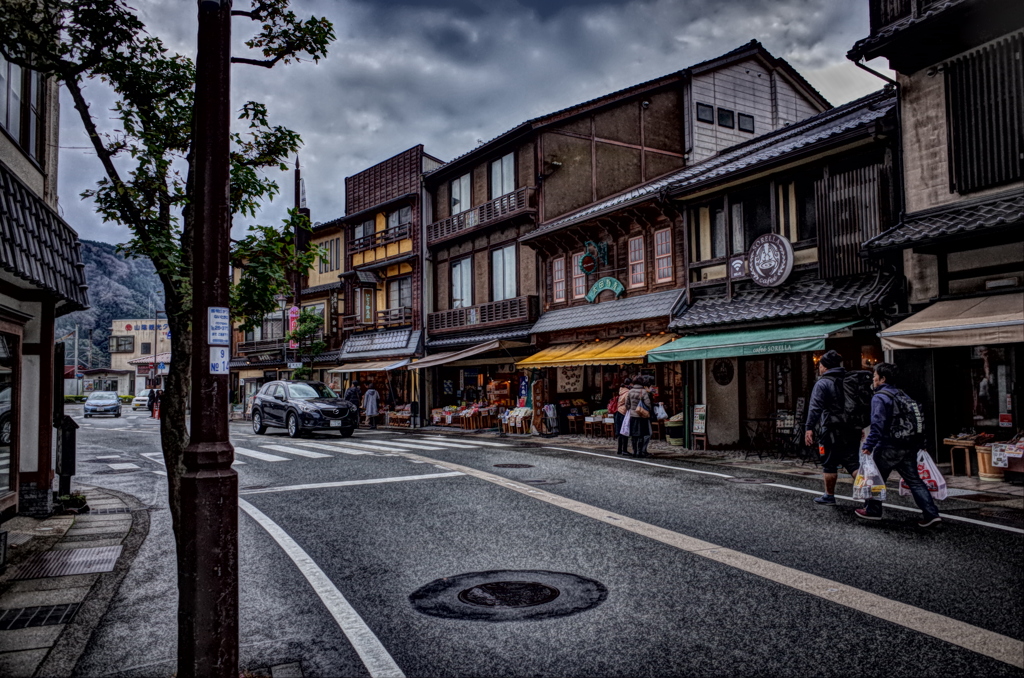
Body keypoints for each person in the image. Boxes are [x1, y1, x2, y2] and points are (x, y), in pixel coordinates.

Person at [856, 363, 941, 527]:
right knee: (915, 481)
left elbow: (877, 424)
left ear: (882, 378)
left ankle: (873, 510)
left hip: (888, 446)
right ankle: (931, 513)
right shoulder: (903, 395)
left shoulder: (880, 397)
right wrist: (922, 442)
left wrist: (869, 445)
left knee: (876, 478)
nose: (873, 379)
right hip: (909, 445)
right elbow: (918, 420)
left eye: (875, 376)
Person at [805, 350, 860, 505]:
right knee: (853, 462)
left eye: (820, 364)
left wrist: (809, 428)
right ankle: (870, 494)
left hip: (832, 429)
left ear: (825, 366)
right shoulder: (849, 381)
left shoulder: (823, 383)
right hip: (852, 428)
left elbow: (815, 408)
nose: (819, 367)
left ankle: (829, 495)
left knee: (829, 462)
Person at [626, 374, 654, 458]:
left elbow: (627, 404)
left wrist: (631, 409)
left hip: (633, 415)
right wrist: (647, 410)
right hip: (641, 416)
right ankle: (640, 452)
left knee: (634, 435)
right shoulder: (643, 391)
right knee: (641, 434)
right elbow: (648, 404)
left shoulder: (630, 391)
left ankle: (634, 451)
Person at [614, 377, 632, 456]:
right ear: (630, 384)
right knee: (624, 431)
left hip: (619, 411)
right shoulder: (628, 392)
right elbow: (628, 403)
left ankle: (619, 449)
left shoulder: (621, 391)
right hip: (624, 412)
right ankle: (624, 450)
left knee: (620, 432)